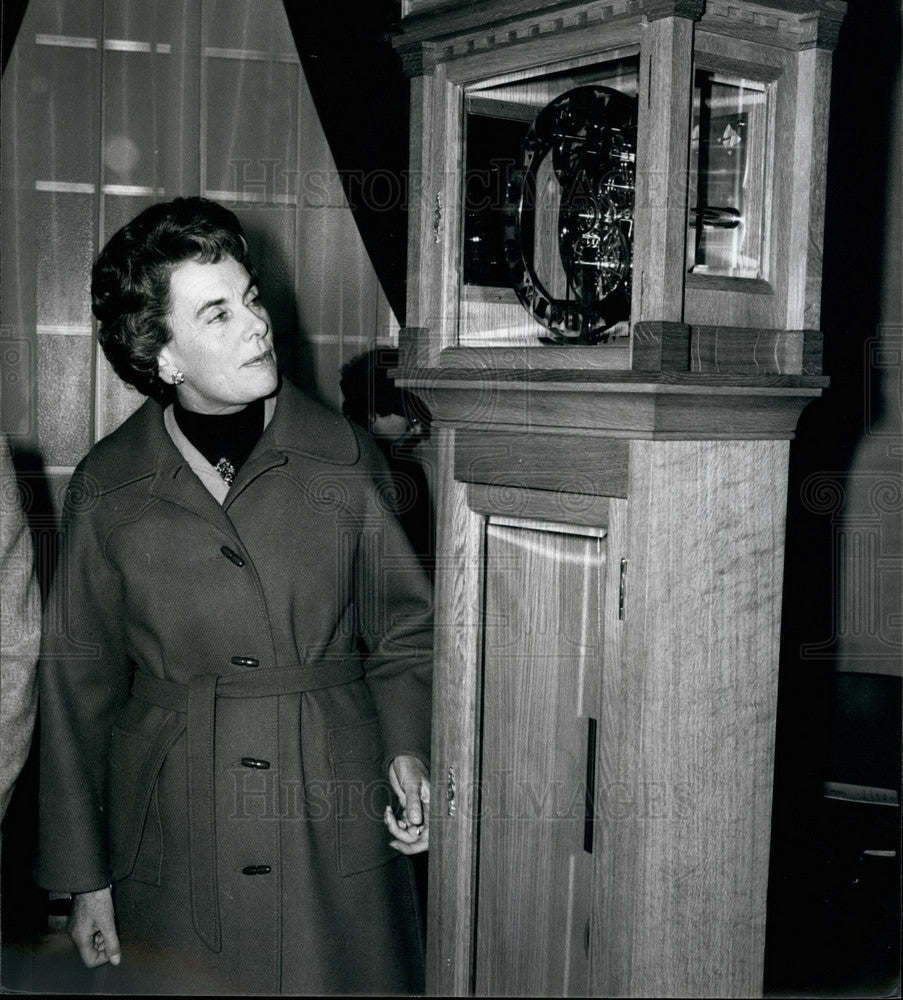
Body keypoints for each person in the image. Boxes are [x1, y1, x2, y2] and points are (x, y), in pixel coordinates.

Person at [35, 197, 432, 996]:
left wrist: (409, 748)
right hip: (173, 829)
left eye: (250, 298)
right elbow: (78, 693)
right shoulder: (107, 488)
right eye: (217, 314)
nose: (257, 325)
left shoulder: (344, 456)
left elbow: (405, 631)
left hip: (331, 814)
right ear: (162, 356)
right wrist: (86, 879)